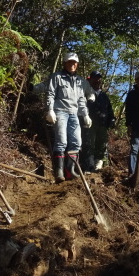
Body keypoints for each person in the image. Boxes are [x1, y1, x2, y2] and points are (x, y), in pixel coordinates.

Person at [45, 52, 92, 182]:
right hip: (60, 111)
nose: (72, 65)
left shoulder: (80, 81)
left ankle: (70, 170)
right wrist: (50, 110)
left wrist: (86, 114)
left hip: (74, 113)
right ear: (65, 63)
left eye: (74, 63)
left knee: (77, 142)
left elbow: (82, 100)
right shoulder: (57, 77)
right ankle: (59, 172)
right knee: (61, 141)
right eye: (70, 62)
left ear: (77, 65)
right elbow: (50, 94)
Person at [80, 71, 116, 172]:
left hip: (102, 124)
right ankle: (89, 166)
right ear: (90, 80)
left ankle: (98, 165)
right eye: (95, 78)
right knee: (88, 144)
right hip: (89, 123)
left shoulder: (104, 96)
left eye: (99, 79)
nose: (97, 81)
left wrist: (112, 119)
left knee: (101, 145)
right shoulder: (85, 93)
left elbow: (109, 110)